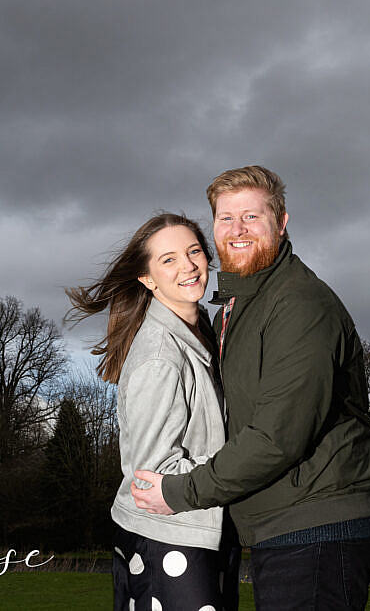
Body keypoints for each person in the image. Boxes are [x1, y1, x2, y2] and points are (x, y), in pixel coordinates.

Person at [132, 166, 370, 610]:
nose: (237, 230)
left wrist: (178, 492)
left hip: (317, 524)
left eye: (252, 217)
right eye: (226, 219)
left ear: (281, 222)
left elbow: (277, 437)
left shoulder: (299, 305)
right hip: (280, 525)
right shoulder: (238, 306)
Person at [66, 212, 239, 611]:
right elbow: (150, 472)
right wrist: (240, 467)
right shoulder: (160, 354)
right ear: (147, 278)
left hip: (198, 530)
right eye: (169, 259)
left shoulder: (201, 335)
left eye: (194, 251)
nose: (188, 266)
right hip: (169, 538)